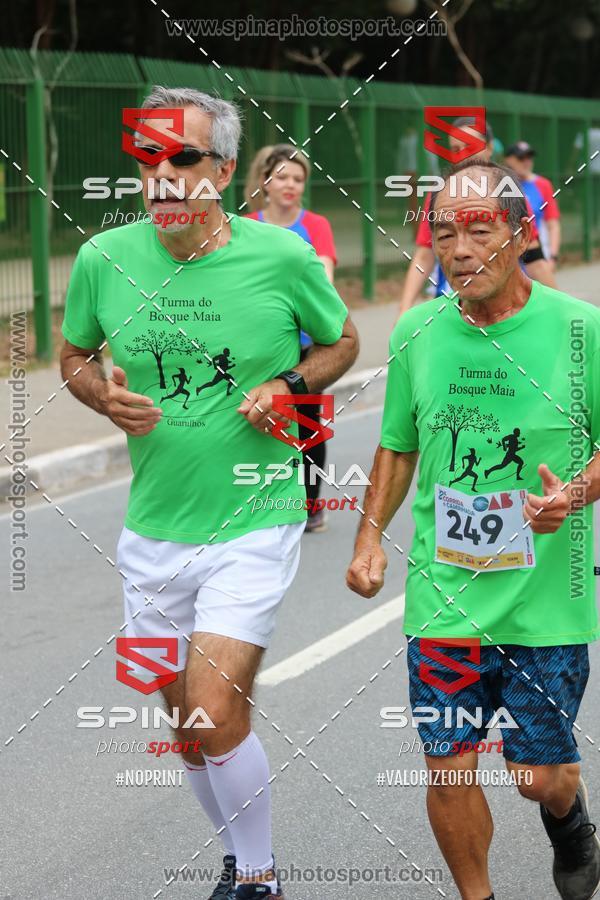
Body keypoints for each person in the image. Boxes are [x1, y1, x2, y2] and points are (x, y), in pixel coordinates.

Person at [61, 86, 358, 900]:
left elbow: (342, 341)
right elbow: (74, 354)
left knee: (216, 715)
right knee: (187, 733)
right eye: (148, 156)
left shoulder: (282, 257)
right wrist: (100, 395)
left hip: (253, 517)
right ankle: (238, 855)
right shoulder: (103, 258)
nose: (162, 173)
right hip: (152, 529)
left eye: (183, 156)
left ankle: (259, 879)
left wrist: (289, 382)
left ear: (223, 171)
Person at [347, 158, 600, 900]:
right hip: (445, 597)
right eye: (444, 232)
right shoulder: (418, 331)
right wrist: (368, 540)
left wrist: (577, 493)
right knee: (448, 766)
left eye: (479, 230)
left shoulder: (581, 330)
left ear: (522, 235)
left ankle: (570, 816)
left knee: (536, 776)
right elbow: (398, 444)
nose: (458, 250)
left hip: (546, 602)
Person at [244, 143, 337, 533]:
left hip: (303, 346)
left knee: (307, 424)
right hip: (256, 344)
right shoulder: (247, 224)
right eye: (282, 176)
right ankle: (254, 501)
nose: (290, 185)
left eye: (298, 179)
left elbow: (325, 283)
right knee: (255, 421)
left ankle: (312, 504)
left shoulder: (315, 226)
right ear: (265, 181)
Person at [397, 118, 557, 318]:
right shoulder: (439, 195)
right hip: (452, 311)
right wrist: (404, 309)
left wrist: (559, 313)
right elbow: (423, 255)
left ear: (489, 148)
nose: (463, 155)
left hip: (506, 311)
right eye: (455, 149)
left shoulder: (510, 194)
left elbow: (535, 261)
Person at [504, 141, 561, 269]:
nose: (526, 162)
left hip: (537, 257)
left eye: (529, 157)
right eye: (521, 158)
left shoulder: (543, 184)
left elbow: (553, 225)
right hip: (509, 261)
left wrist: (552, 257)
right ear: (508, 160)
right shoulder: (500, 185)